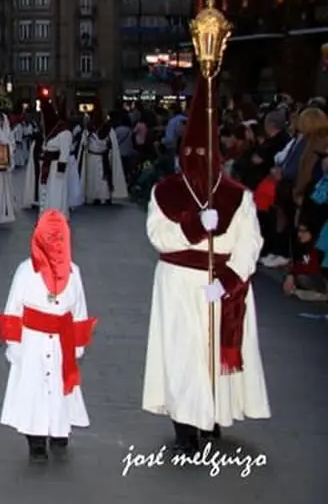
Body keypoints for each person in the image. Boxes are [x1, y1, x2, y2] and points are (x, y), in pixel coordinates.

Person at [142, 76, 270, 455]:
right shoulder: (165, 192)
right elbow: (158, 235)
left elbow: (251, 242)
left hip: (219, 283)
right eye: (191, 153)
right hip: (178, 282)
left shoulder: (237, 197)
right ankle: (185, 422)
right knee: (182, 352)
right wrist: (196, 226)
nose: (198, 160)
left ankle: (212, 414)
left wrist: (230, 278)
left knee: (213, 353)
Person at [0, 209, 96, 462]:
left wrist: (77, 344)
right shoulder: (25, 271)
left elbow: (79, 308)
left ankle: (60, 430)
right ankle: (36, 439)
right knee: (34, 390)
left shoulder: (73, 272)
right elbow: (13, 308)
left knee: (61, 388)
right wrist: (14, 343)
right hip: (33, 341)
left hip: (62, 340)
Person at [24, 98, 72, 216]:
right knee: (46, 190)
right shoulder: (49, 132)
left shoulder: (64, 132)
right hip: (46, 167)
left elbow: (64, 153)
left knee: (56, 191)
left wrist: (60, 169)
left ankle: (56, 215)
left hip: (56, 168)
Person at [81, 104, 128, 206]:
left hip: (97, 157)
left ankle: (101, 196)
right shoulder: (97, 129)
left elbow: (84, 144)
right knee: (99, 178)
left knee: (100, 178)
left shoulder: (92, 129)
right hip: (97, 157)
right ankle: (100, 196)